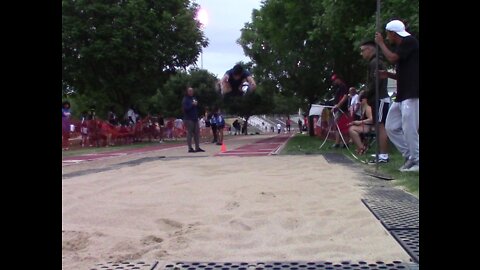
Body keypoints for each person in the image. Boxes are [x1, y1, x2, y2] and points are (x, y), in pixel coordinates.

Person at [375, 19, 419, 172]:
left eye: (387, 35)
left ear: (393, 34)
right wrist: (388, 74)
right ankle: (409, 155)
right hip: (402, 93)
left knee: (409, 128)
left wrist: (380, 44)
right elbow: (405, 74)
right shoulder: (403, 48)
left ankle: (417, 160)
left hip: (413, 93)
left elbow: (392, 58)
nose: (387, 37)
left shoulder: (409, 41)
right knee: (391, 126)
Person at [360, 40, 391, 164]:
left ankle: (383, 155)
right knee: (378, 125)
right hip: (377, 98)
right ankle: (381, 153)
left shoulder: (375, 63)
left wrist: (365, 93)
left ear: (370, 49)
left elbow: (375, 82)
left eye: (363, 50)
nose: (361, 53)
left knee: (380, 126)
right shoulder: (375, 62)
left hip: (380, 98)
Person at [182, 87, 205, 153]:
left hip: (195, 118)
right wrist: (192, 104)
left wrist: (196, 105)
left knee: (197, 133)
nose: (191, 92)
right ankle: (190, 148)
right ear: (187, 92)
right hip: (189, 118)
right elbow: (185, 109)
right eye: (190, 91)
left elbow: (196, 107)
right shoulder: (185, 99)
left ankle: (197, 147)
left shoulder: (193, 98)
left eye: (192, 91)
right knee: (190, 133)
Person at [330, 74, 350, 148]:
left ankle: (340, 143)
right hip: (339, 109)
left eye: (335, 80)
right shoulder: (339, 88)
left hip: (342, 110)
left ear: (338, 79)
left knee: (340, 125)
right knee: (338, 125)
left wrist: (337, 106)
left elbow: (345, 97)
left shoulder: (343, 86)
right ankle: (341, 142)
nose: (334, 82)